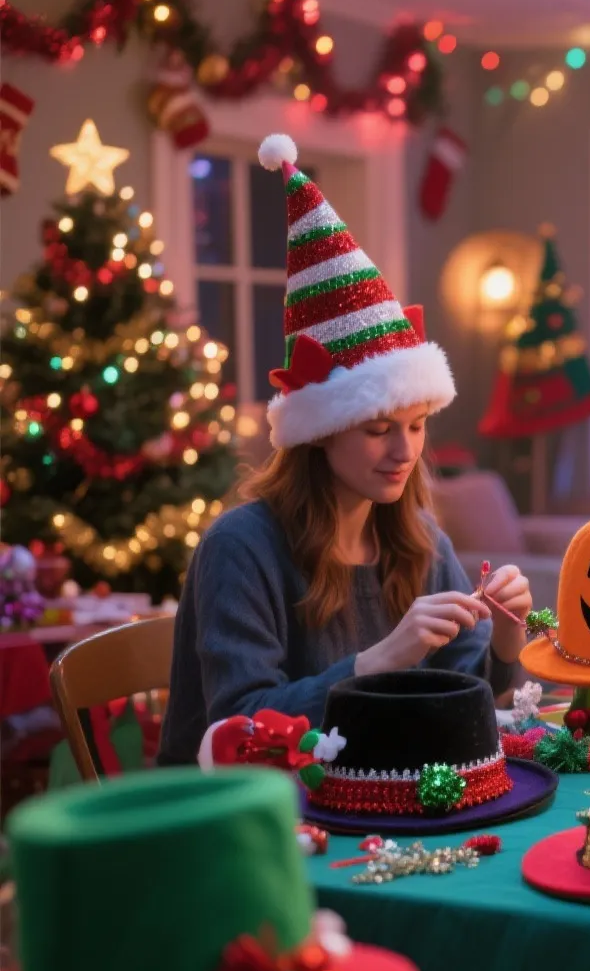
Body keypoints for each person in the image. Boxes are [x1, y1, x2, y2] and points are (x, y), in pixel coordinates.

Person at [156, 135, 529, 765]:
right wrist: (381, 659)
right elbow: (240, 728)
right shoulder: (242, 548)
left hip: (375, 801)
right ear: (320, 430)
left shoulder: (418, 538)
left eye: (416, 426)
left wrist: (508, 642)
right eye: (379, 429)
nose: (404, 450)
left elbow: (471, 696)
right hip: (246, 818)